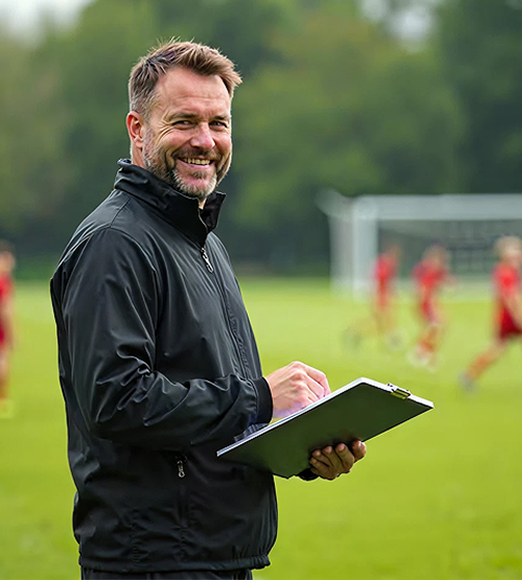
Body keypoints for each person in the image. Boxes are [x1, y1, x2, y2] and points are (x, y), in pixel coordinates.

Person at [50, 41, 366, 579]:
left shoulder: (202, 240)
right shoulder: (114, 243)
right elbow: (116, 401)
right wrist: (261, 398)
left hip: (215, 553)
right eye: (184, 122)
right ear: (137, 129)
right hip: (156, 561)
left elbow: (213, 413)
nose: (205, 140)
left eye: (219, 123)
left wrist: (301, 446)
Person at [460, 236, 522, 390]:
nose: (521, 255)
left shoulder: (509, 271)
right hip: (510, 317)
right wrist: (521, 317)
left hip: (508, 316)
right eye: (517, 251)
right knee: (508, 347)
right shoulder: (506, 272)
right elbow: (510, 297)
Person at [344, 243, 401, 349]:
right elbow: (378, 280)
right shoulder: (383, 263)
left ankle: (357, 333)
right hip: (379, 296)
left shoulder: (390, 264)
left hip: (383, 296)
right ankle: (355, 331)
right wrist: (375, 296)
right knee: (382, 320)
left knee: (381, 322)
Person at [408, 244, 451, 371]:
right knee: (436, 327)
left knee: (436, 328)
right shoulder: (428, 271)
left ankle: (424, 352)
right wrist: (430, 305)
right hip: (427, 304)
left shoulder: (434, 271)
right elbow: (424, 289)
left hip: (430, 303)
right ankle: (422, 352)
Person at [0, 241, 15, 419]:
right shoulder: (4, 281)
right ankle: (2, 399)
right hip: (1, 327)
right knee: (3, 360)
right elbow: (6, 309)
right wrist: (12, 334)